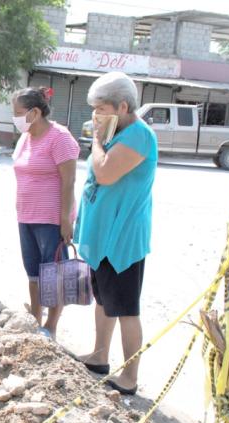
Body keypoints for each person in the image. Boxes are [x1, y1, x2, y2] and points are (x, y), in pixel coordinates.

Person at [73, 71, 158, 396]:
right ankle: (99, 355)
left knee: (125, 308)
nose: (96, 115)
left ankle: (130, 377)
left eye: (102, 109)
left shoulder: (137, 135)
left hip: (122, 238)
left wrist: (96, 140)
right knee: (104, 300)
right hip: (102, 234)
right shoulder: (116, 132)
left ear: (123, 106)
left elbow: (106, 173)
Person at [10, 87, 79, 337]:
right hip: (26, 215)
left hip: (51, 218)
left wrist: (65, 219)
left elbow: (69, 180)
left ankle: (51, 325)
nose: (14, 118)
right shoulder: (25, 137)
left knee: (54, 274)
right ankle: (35, 319)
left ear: (35, 112)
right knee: (33, 272)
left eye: (18, 113)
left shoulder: (60, 137)